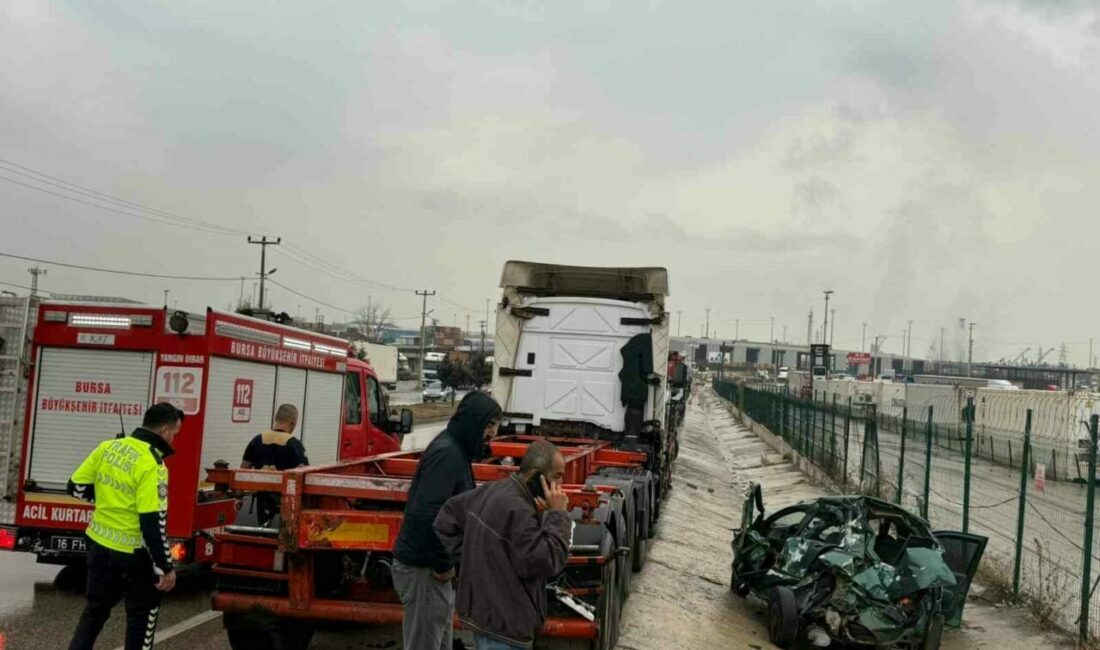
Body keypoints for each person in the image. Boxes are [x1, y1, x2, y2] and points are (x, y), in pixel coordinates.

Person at [434, 439, 573, 650]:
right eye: (557, 477)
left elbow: (448, 517)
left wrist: (474, 562)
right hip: (505, 630)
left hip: (487, 620)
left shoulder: (494, 490)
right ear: (537, 476)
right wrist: (558, 515)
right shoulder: (519, 510)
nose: (560, 487)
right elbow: (546, 561)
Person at [67, 402, 184, 650]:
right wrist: (166, 566)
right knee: (141, 621)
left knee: (94, 613)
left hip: (98, 546)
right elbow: (152, 523)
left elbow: (75, 487)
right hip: (134, 556)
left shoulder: (108, 447)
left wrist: (108, 500)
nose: (174, 439)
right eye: (175, 433)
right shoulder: (153, 465)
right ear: (164, 430)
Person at [391, 391, 502, 650]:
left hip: (431, 571)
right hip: (425, 571)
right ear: (473, 421)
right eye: (489, 426)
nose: (493, 435)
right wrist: (442, 564)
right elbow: (425, 515)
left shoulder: (456, 451)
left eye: (495, 427)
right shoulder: (448, 454)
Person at [241, 403, 308, 470]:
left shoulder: (257, 440)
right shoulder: (295, 445)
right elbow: (304, 473)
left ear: (276, 418)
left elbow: (243, 470)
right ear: (293, 423)